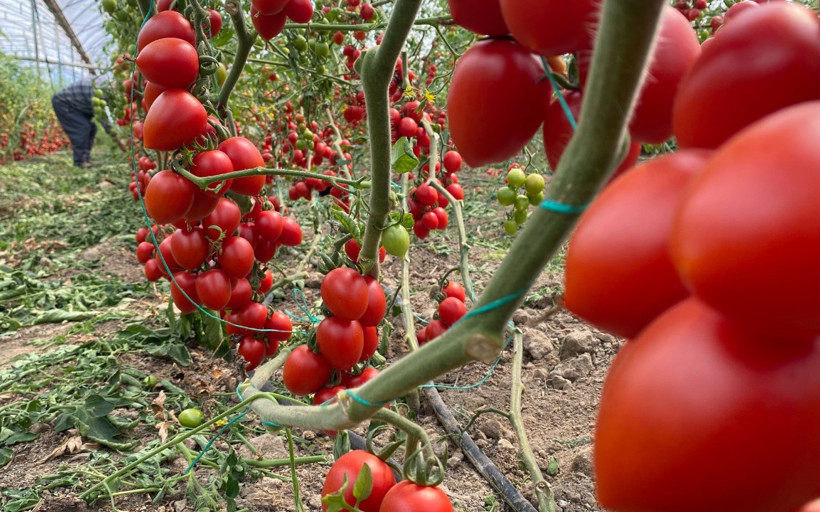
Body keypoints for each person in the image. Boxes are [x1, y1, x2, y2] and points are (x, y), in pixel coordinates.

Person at [51, 78, 108, 168]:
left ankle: (85, 159)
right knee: (82, 128)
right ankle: (79, 162)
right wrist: (117, 139)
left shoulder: (105, 86)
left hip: (78, 105)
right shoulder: (101, 92)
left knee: (92, 128)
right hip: (63, 102)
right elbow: (102, 117)